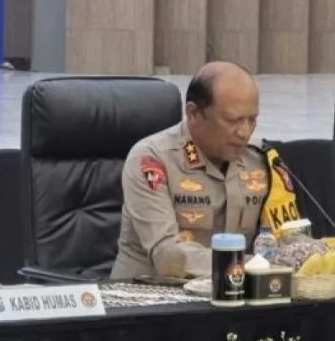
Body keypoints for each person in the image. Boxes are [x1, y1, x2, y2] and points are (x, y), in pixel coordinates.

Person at [111, 61, 301, 279]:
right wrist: (245, 265)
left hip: (232, 290)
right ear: (193, 113)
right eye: (233, 120)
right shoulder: (152, 159)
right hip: (149, 292)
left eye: (252, 120)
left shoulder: (261, 161)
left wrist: (317, 254)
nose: (244, 132)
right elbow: (167, 255)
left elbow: (287, 236)